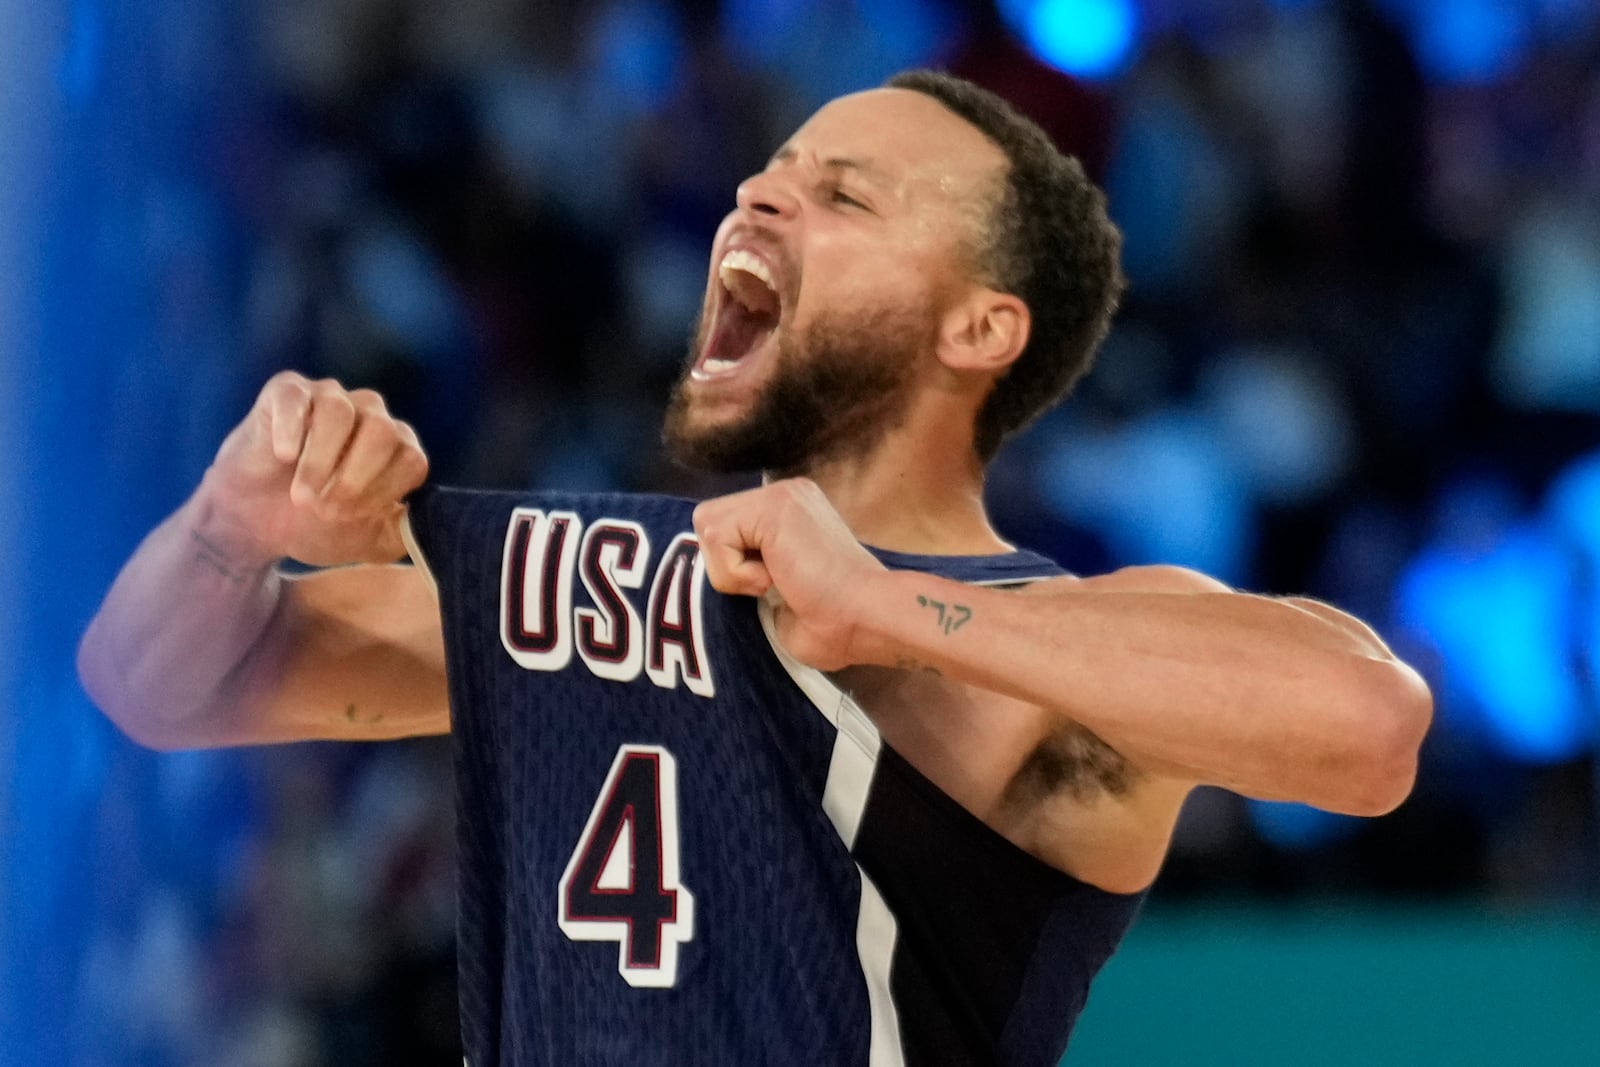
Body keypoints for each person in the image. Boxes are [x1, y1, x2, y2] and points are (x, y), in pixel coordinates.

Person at [78, 71, 1432, 1066]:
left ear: (980, 326)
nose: (760, 191)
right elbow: (153, 686)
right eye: (770, 170)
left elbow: (1369, 730)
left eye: (841, 193)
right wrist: (228, 523)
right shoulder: (593, 586)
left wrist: (889, 608)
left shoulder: (1041, 642)